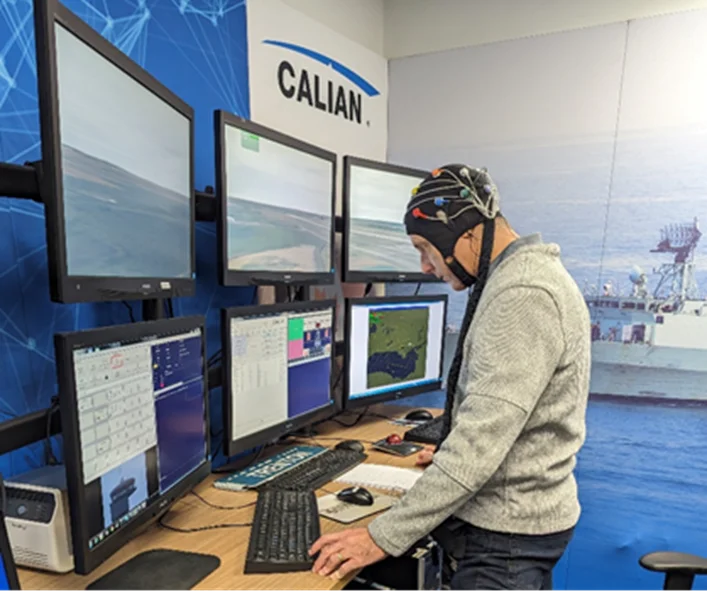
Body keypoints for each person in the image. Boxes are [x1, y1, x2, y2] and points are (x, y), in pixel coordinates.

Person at [309, 164, 591, 591]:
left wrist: (379, 538)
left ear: (467, 234)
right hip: (515, 524)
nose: (424, 266)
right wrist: (448, 448)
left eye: (425, 247)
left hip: (506, 538)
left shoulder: (523, 294)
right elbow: (495, 423)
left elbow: (479, 446)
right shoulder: (518, 278)